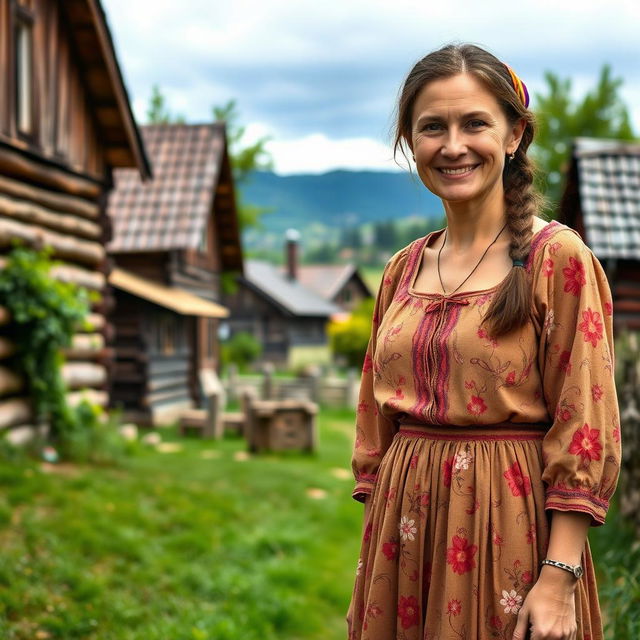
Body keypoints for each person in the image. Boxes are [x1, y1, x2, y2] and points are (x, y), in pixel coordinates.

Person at [346, 43, 621, 640]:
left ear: (515, 135)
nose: (452, 145)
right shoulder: (402, 269)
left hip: (510, 530)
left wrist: (558, 577)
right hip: (403, 538)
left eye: (475, 123)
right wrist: (376, 576)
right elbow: (375, 419)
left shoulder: (557, 259)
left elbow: (587, 421)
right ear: (410, 143)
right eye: (431, 127)